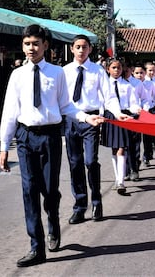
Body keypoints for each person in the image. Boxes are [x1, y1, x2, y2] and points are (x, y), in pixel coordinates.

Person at [0, 24, 102, 268]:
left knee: (49, 190)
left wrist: (86, 117)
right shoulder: (17, 75)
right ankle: (37, 247)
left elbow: (66, 106)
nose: (31, 48)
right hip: (25, 137)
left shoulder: (57, 73)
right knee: (29, 189)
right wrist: (4, 146)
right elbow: (9, 112)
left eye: (35, 43)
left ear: (45, 46)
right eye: (27, 44)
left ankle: (53, 222)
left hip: (50, 137)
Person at [63, 35, 111, 224]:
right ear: (72, 49)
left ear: (90, 49)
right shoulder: (64, 71)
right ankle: (80, 205)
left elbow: (108, 96)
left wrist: (114, 112)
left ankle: (97, 201)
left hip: (92, 120)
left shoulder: (98, 71)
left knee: (91, 161)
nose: (81, 50)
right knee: (75, 163)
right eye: (78, 47)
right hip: (72, 118)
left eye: (84, 47)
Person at [100, 58, 139, 195]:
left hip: (124, 116)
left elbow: (133, 102)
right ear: (108, 69)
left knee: (122, 149)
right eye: (113, 68)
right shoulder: (104, 85)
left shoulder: (128, 86)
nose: (116, 70)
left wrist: (136, 110)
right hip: (110, 116)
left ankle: (121, 180)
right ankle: (117, 178)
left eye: (119, 68)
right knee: (114, 148)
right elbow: (102, 102)